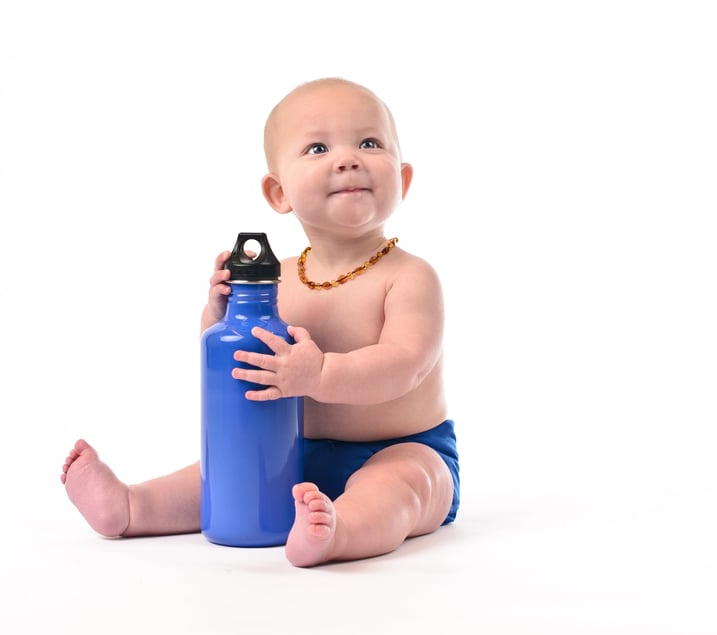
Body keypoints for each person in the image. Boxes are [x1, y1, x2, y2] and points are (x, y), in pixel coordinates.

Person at [60, 77, 460, 567]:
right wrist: (219, 314)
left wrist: (319, 376)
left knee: (405, 487)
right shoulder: (280, 279)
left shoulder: (410, 277)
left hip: (403, 446)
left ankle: (342, 531)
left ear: (404, 178)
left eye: (370, 143)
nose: (348, 158)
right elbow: (235, 355)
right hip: (289, 448)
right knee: (221, 473)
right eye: (317, 147)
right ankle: (133, 506)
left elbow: (405, 366)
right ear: (278, 192)